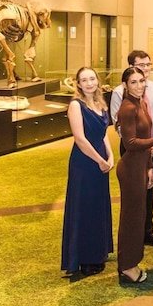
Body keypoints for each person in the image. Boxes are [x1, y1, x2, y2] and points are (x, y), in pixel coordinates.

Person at [61, 67, 114, 277]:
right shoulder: (76, 105)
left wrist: (110, 156)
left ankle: (98, 253)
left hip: (101, 160)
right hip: (85, 163)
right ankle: (83, 258)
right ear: (79, 84)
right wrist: (100, 160)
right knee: (83, 207)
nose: (89, 83)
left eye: (92, 78)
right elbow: (80, 139)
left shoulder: (101, 103)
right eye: (84, 80)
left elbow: (103, 134)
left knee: (98, 206)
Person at [110, 50, 153, 248]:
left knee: (149, 191)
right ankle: (132, 240)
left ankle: (147, 231)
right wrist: (151, 142)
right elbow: (121, 128)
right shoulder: (120, 94)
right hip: (133, 150)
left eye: (149, 65)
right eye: (141, 65)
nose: (146, 69)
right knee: (133, 198)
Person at [115, 66, 153, 285]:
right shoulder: (127, 108)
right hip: (130, 169)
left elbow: (145, 137)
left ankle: (131, 262)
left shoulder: (139, 103)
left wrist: (149, 166)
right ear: (125, 85)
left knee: (138, 217)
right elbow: (130, 143)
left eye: (141, 81)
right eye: (134, 82)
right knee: (131, 219)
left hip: (140, 167)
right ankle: (127, 267)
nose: (139, 85)